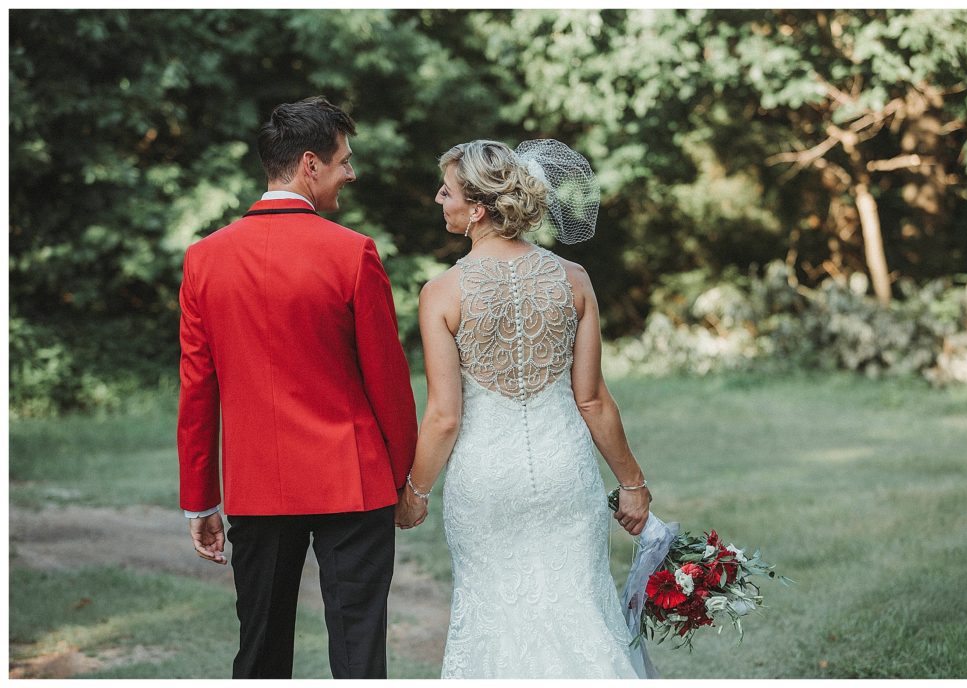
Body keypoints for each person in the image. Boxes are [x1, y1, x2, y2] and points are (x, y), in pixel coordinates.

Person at [177, 95, 417, 679]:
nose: (351, 173)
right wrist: (405, 478)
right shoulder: (353, 253)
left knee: (260, 650)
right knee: (360, 656)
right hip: (353, 482)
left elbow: (197, 391)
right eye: (344, 161)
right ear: (310, 164)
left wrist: (201, 499)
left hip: (258, 485)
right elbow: (388, 381)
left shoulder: (204, 259)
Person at [394, 139, 652, 678]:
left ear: (477, 209)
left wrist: (416, 492)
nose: (438, 198)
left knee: (494, 623)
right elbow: (592, 399)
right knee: (581, 615)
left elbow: (444, 416)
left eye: (447, 191)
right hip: (564, 475)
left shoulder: (441, 293)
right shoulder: (574, 280)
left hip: (484, 481)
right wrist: (632, 482)